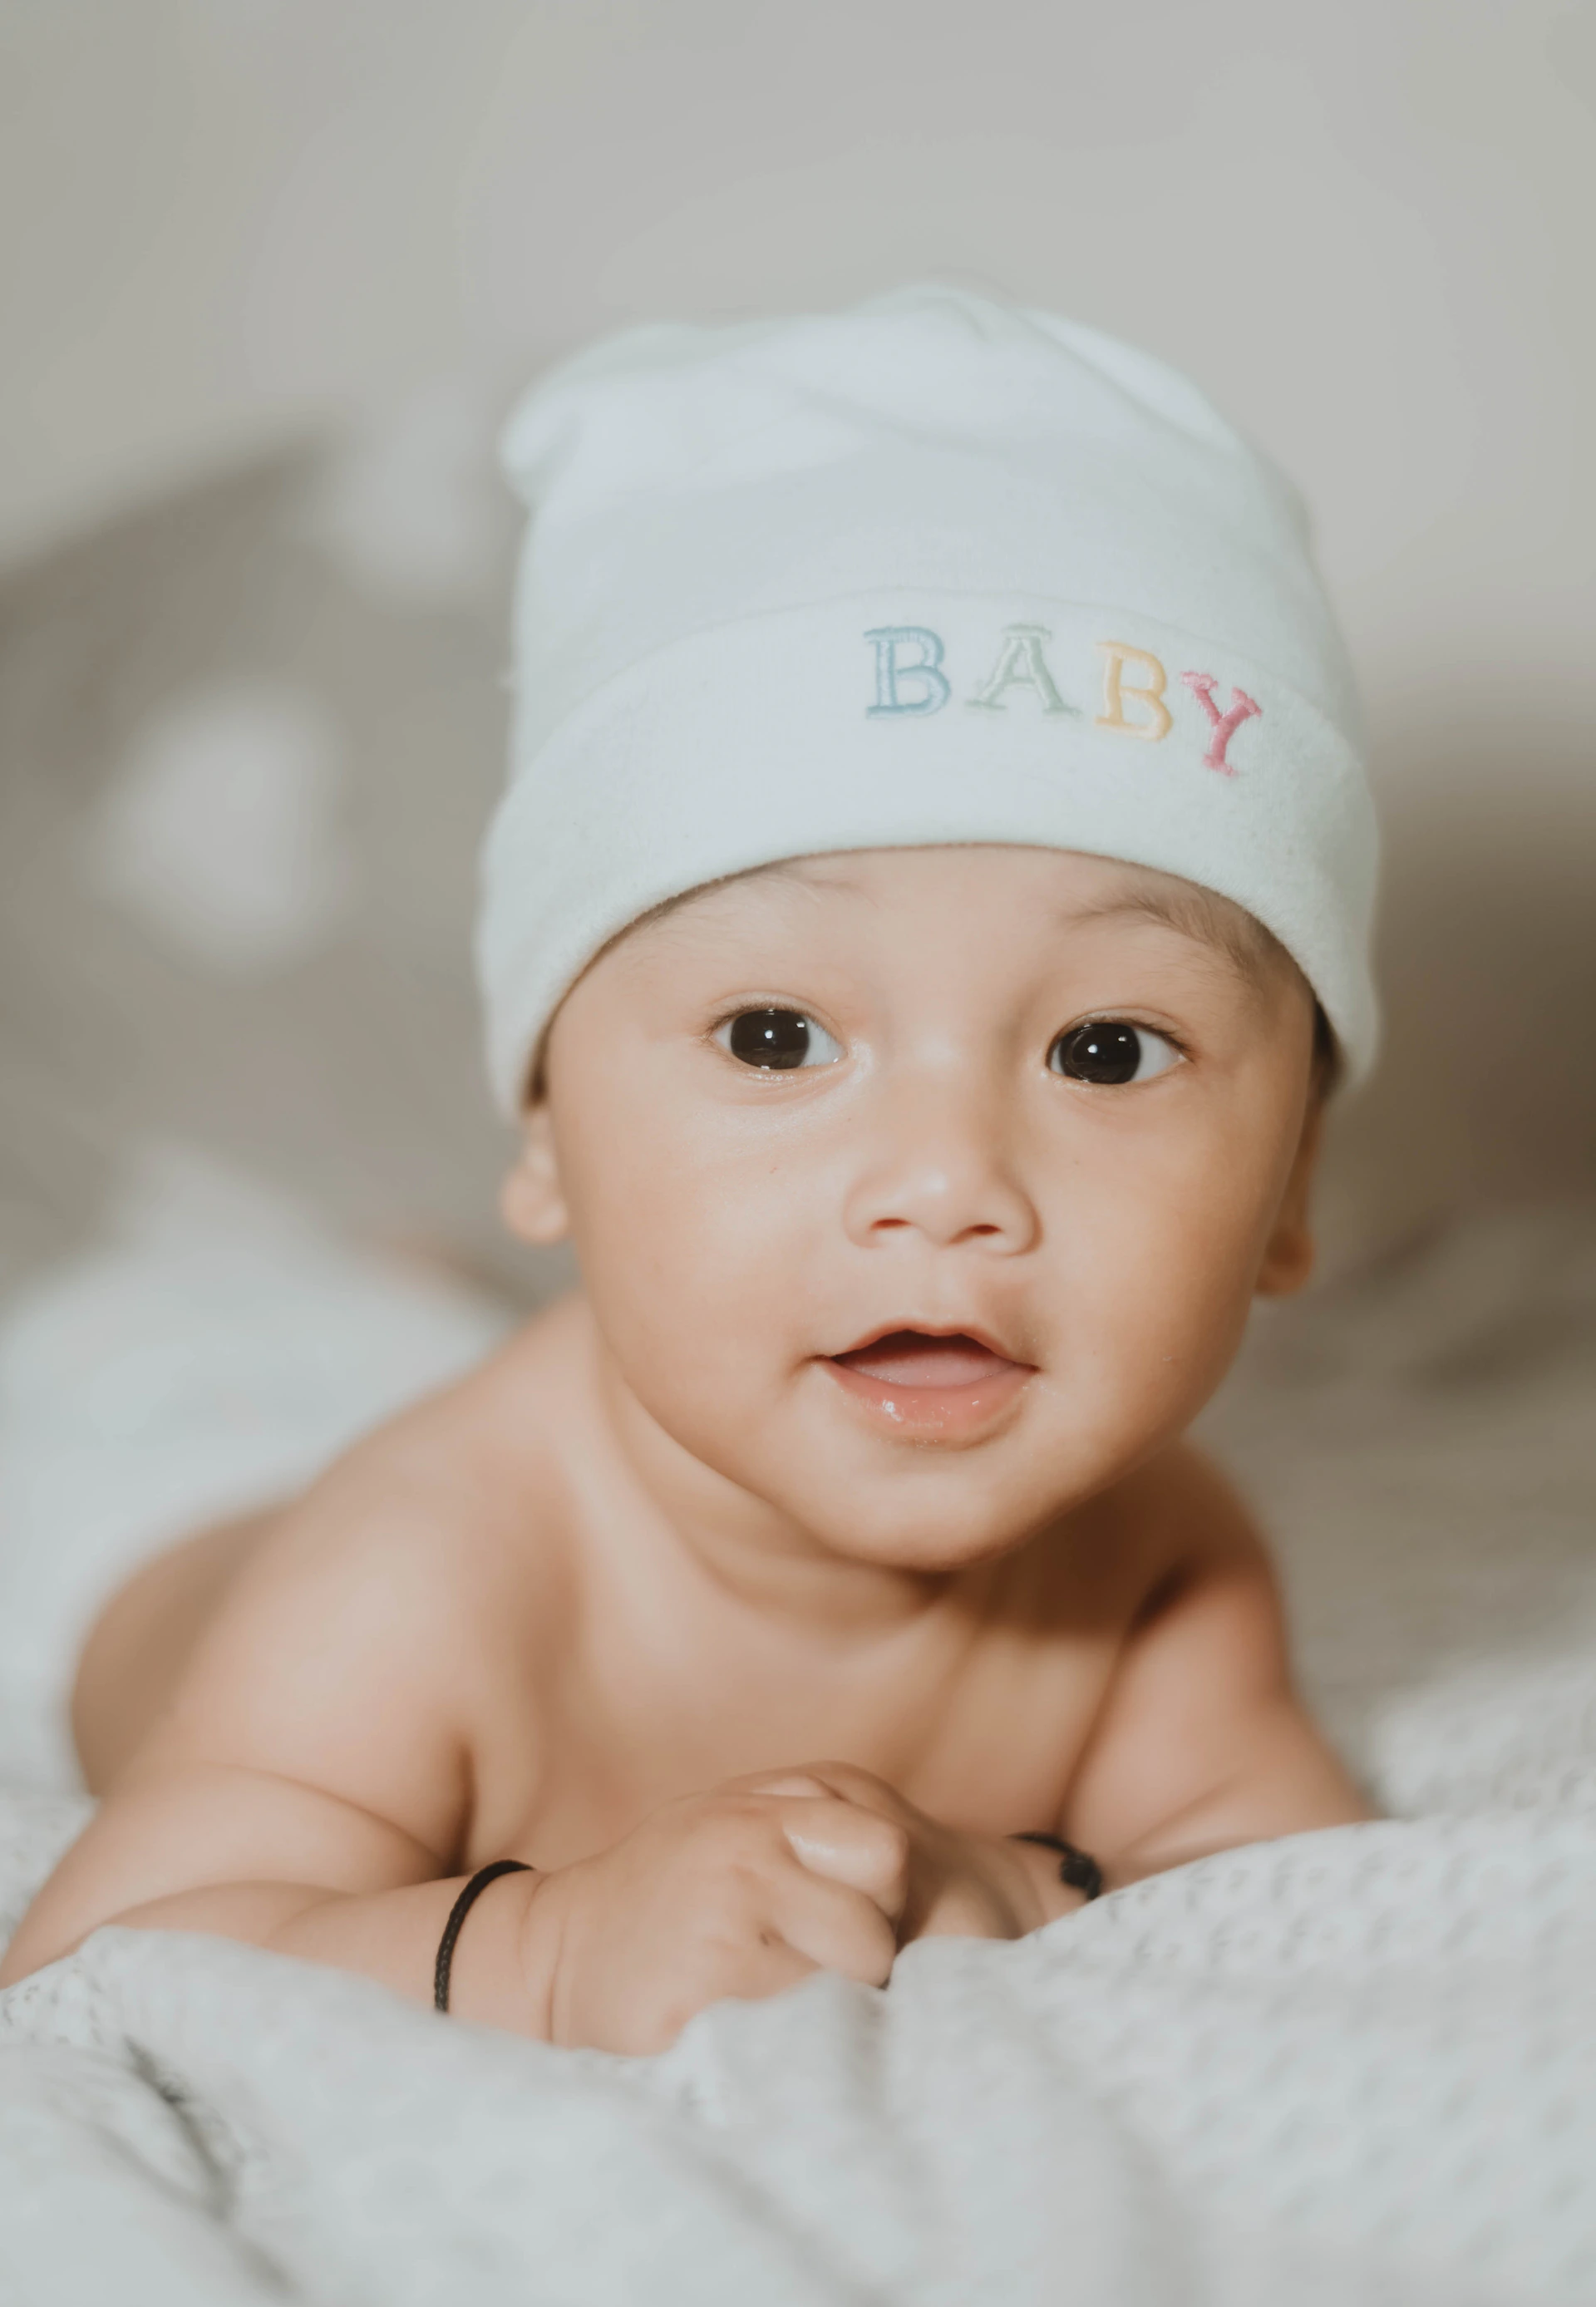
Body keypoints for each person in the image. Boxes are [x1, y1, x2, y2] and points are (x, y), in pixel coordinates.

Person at [1, 284, 1379, 2053]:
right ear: (548, 1134)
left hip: (473, 1359)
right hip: (157, 1437)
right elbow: (104, 1955)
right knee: (215, 1356)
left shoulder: (1166, 1567)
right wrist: (551, 1951)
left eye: (1104, 1052)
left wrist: (995, 1887)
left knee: (484, 1331)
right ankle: (342, 1285)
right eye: (775, 1037)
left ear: (1294, 1194)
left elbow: (1274, 1896)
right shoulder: (423, 1575)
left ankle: (408, 1280)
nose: (942, 1184)